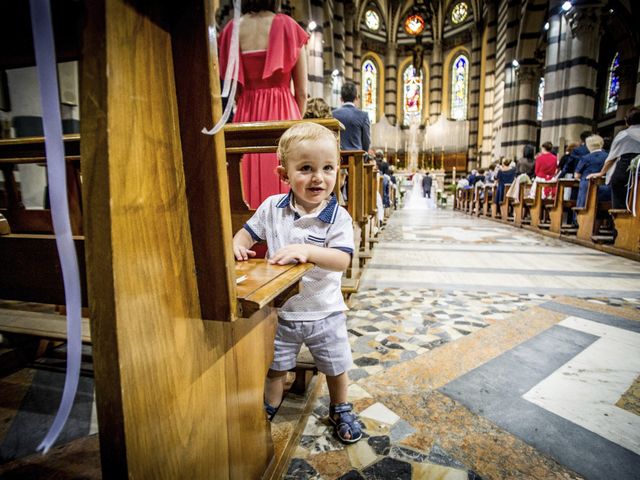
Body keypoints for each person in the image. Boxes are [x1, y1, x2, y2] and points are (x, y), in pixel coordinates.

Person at [232, 123, 362, 444]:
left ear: (338, 172)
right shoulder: (272, 208)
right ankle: (269, 406)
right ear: (284, 173)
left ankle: (340, 407)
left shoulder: (338, 217)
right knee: (276, 368)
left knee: (335, 366)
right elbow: (247, 233)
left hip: (324, 311)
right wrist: (237, 243)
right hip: (282, 311)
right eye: (306, 168)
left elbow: (342, 260)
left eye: (327, 168)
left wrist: (307, 250)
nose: (318, 177)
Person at [218, 0, 309, 208]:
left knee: (245, 180)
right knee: (286, 173)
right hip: (284, 112)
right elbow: (302, 93)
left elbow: (233, 88)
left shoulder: (232, 29)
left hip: (247, 113)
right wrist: (298, 122)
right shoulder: (289, 26)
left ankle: (251, 235)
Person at [588, 107, 640, 208]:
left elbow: (611, 157)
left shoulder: (623, 135)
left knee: (620, 205)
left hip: (625, 172)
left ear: (627, 121)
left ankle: (620, 222)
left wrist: (602, 173)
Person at [332, 82, 371, 152]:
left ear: (341, 98)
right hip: (356, 157)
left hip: (337, 156)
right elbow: (366, 142)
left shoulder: (333, 114)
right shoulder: (363, 115)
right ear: (356, 98)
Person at [575, 135, 608, 208]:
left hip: (587, 189)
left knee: (582, 207)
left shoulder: (585, 158)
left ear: (588, 145)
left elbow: (577, 175)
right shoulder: (608, 156)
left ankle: (578, 218)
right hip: (605, 189)